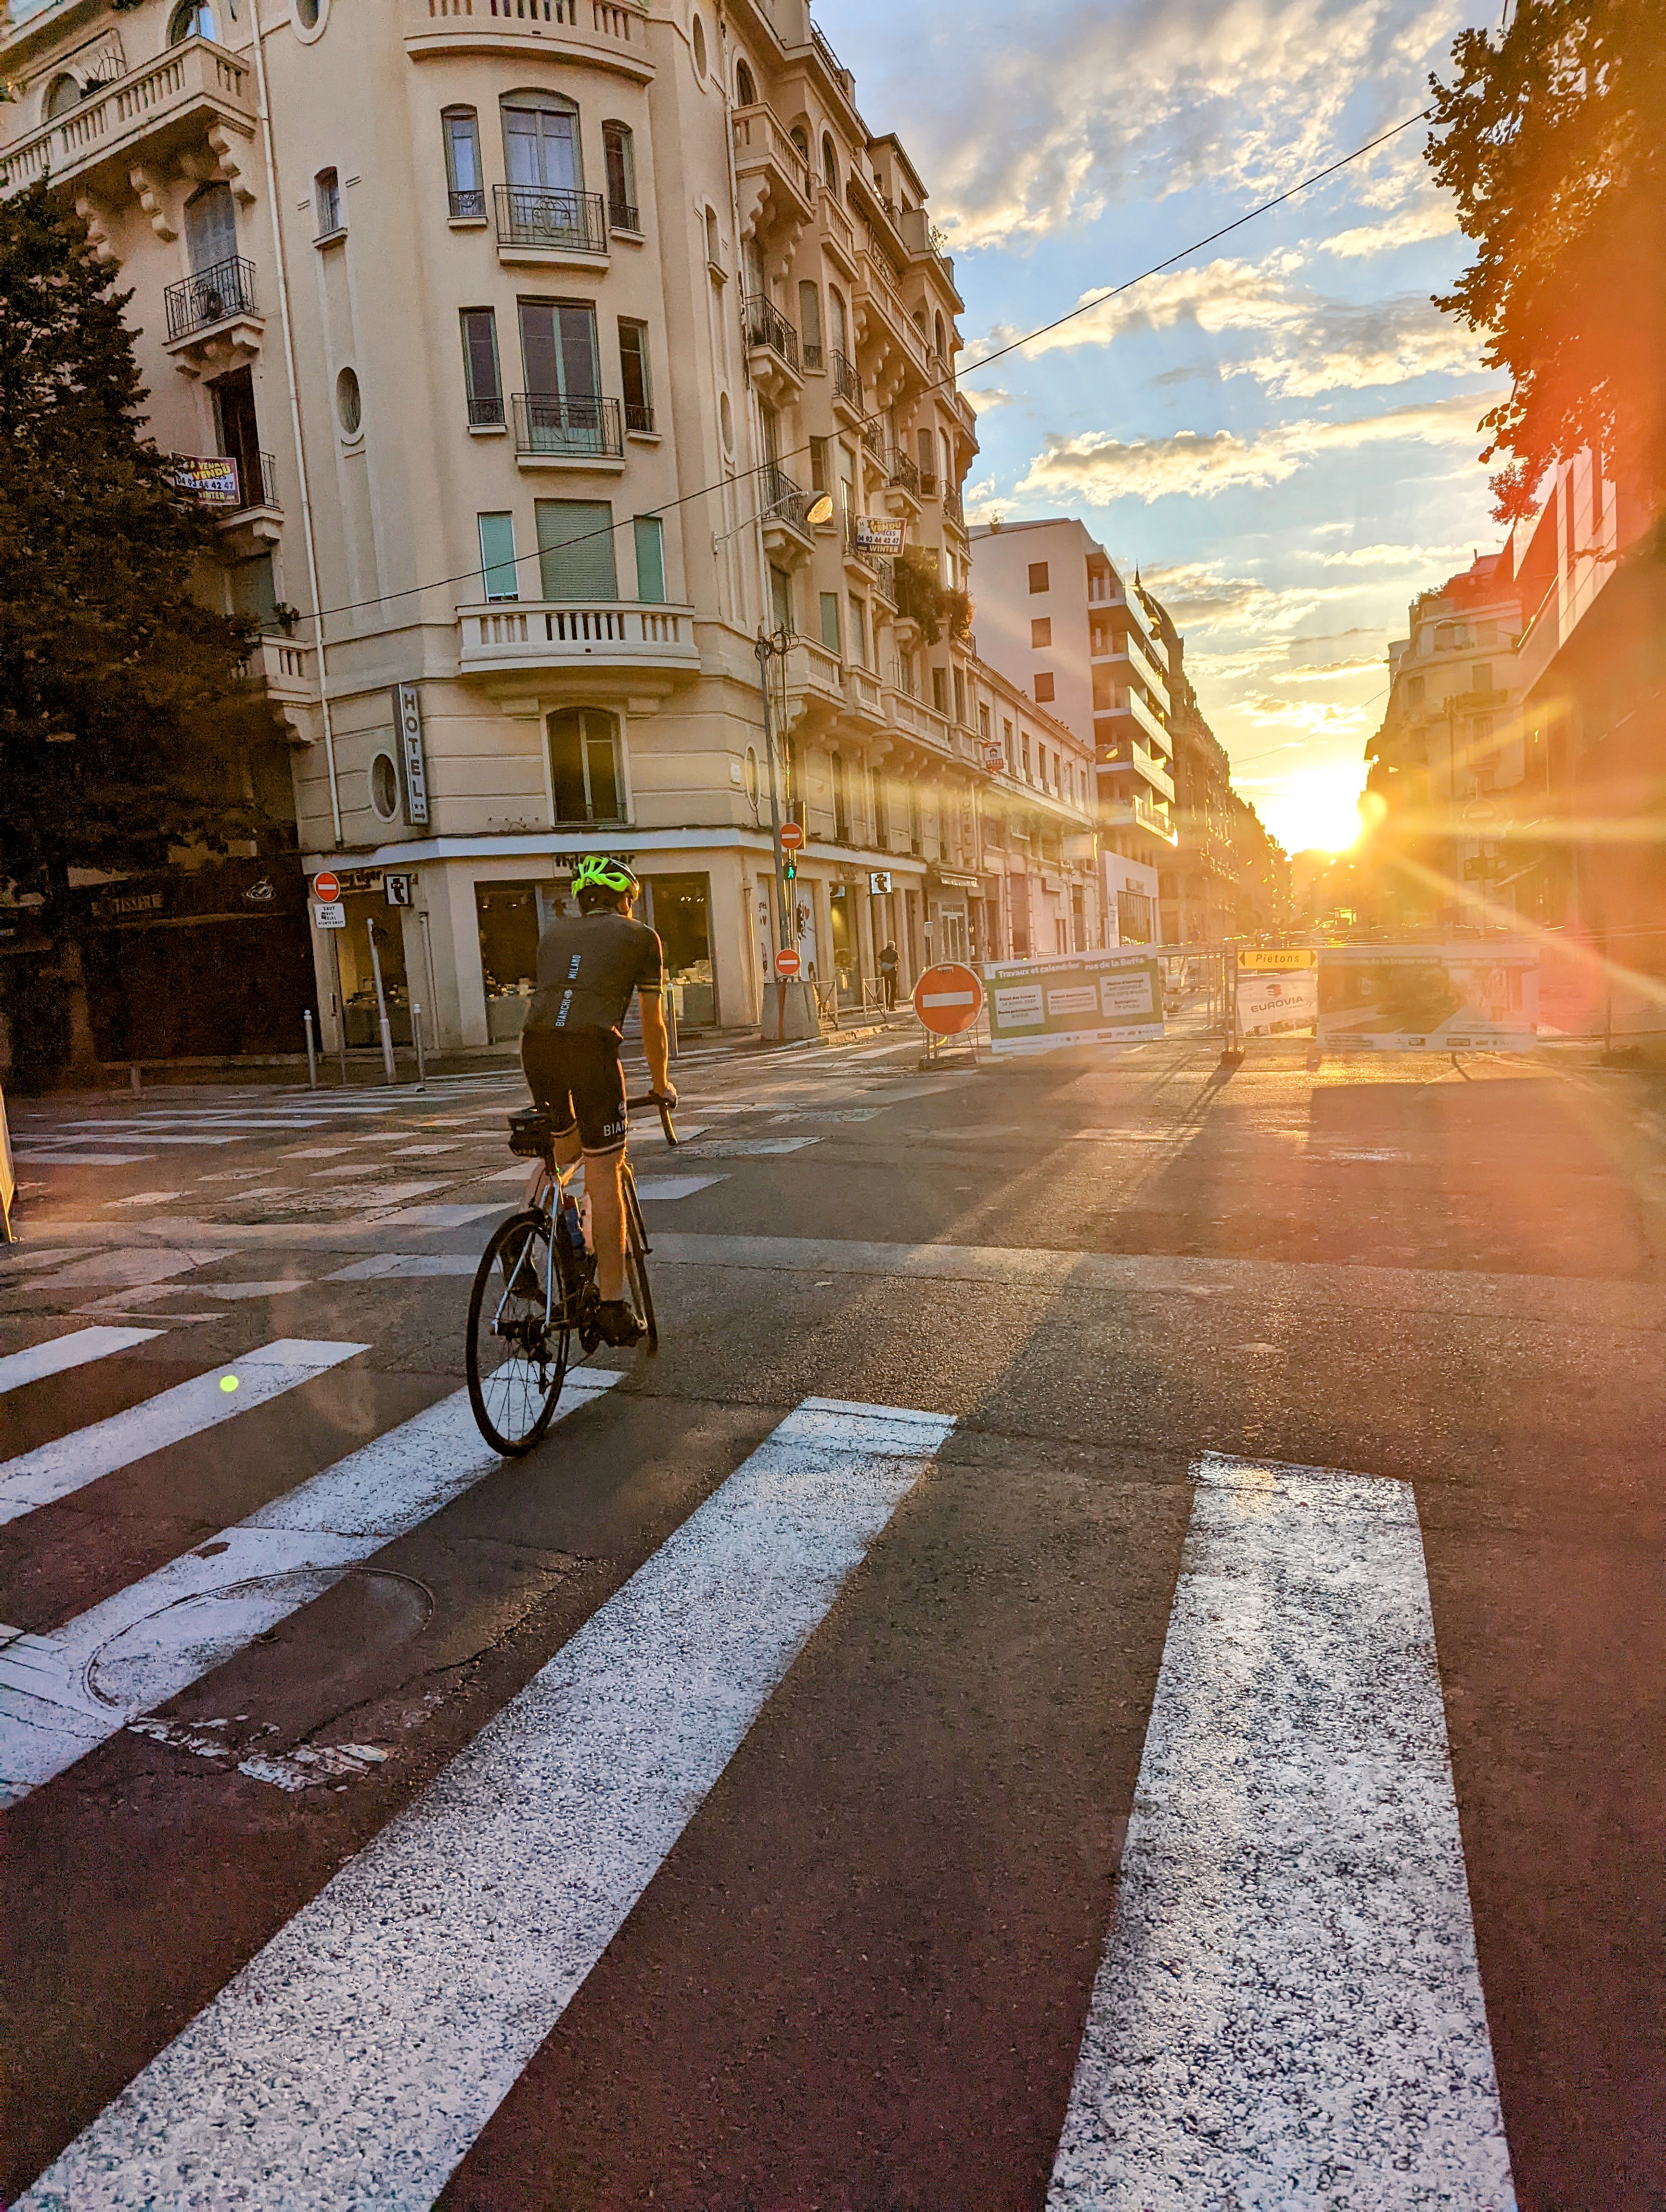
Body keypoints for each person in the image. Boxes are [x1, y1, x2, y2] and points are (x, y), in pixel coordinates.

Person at [518, 857, 676, 1347]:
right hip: (591, 1049)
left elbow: (557, 998)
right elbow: (653, 1022)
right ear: (625, 899)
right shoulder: (641, 936)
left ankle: (523, 1251)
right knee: (604, 1170)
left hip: (537, 1045)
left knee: (560, 1152)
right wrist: (661, 1084)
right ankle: (611, 1305)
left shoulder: (553, 936)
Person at [878, 938, 899, 1011]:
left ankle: (886, 1006)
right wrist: (891, 966)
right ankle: (891, 1006)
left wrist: (883, 966)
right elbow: (897, 961)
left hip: (884, 972)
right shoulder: (895, 953)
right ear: (893, 946)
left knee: (885, 989)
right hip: (892, 972)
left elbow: (878, 960)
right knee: (893, 989)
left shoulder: (883, 952)